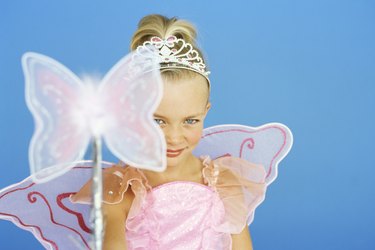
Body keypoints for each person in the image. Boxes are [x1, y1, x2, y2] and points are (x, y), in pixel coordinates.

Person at [71, 14, 267, 250]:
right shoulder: (121, 192)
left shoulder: (223, 184)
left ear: (205, 112)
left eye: (190, 120)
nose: (173, 138)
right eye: (158, 122)